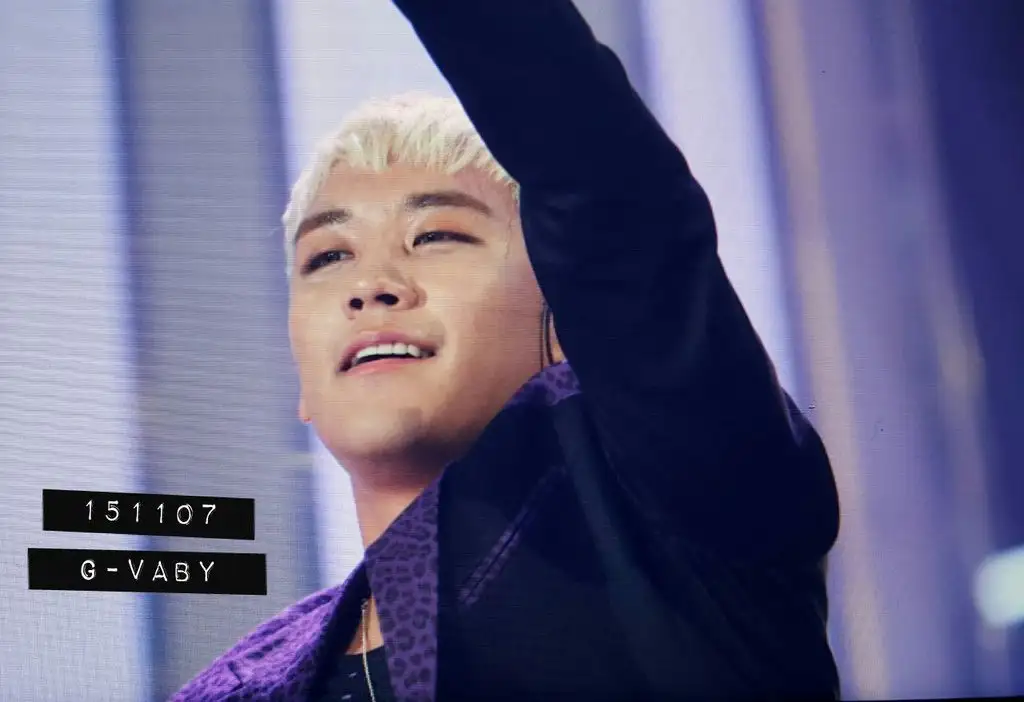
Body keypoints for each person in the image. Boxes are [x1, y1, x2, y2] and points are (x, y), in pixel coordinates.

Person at [172, 1, 841, 700]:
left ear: (571, 320)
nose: (370, 286)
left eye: (436, 236)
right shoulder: (236, 684)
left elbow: (609, 197)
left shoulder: (674, 522)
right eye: (328, 256)